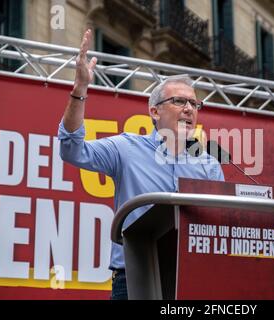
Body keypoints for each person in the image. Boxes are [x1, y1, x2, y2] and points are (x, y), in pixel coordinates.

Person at [58, 29, 225, 300]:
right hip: (135, 279)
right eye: (179, 101)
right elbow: (71, 149)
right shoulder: (126, 148)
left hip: (193, 280)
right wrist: (80, 89)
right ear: (154, 111)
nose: (189, 109)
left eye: (194, 103)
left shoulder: (208, 164)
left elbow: (220, 222)